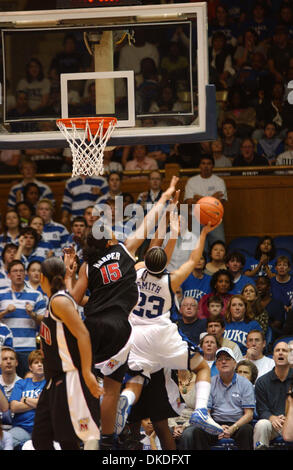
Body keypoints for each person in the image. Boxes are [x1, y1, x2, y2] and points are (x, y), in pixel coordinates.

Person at [64, 176, 181, 450]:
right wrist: (165, 201)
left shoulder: (88, 266)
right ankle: (107, 438)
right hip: (124, 331)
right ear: (108, 241)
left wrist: (71, 276)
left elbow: (74, 301)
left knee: (90, 384)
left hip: (91, 327)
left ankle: (87, 435)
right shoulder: (128, 255)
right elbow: (152, 233)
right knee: (117, 390)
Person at [115, 220, 225, 440]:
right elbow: (194, 259)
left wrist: (168, 229)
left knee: (136, 378)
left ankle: (127, 398)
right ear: (165, 262)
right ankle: (201, 410)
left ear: (145, 260)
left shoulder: (134, 272)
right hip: (162, 334)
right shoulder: (171, 281)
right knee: (202, 367)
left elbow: (153, 251)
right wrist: (202, 232)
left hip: (135, 335)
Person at [31, 256, 102, 451]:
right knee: (40, 438)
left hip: (71, 376)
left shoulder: (59, 301)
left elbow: (83, 335)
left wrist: (87, 373)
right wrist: (70, 274)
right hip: (53, 380)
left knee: (73, 439)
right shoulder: (57, 299)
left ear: (43, 278)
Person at [178, 347, 255, 450]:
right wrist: (217, 428)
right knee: (196, 431)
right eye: (219, 360)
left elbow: (249, 414)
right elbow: (206, 412)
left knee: (247, 430)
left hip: (238, 424)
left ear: (235, 363)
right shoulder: (209, 382)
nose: (223, 362)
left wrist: (233, 428)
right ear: (217, 365)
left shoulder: (245, 384)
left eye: (227, 359)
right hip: (214, 423)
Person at [0, 260, 47, 377]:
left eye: (21, 271)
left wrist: (32, 314)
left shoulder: (36, 295)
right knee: (5, 381)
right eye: (15, 271)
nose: (19, 274)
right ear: (9, 275)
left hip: (28, 348)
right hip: (6, 348)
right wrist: (5, 312)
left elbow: (44, 322)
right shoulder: (1, 294)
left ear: (25, 274)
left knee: (29, 380)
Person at [253, 340, 293, 449]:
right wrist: (271, 417)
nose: (280, 353)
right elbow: (261, 409)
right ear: (273, 357)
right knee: (261, 425)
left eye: (284, 351)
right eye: (277, 351)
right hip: (274, 425)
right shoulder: (262, 381)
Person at [184, 155, 227, 247]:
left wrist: (198, 198)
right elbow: (189, 202)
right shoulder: (192, 181)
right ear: (199, 166)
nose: (206, 166)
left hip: (215, 219)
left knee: (219, 246)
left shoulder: (219, 181)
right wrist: (212, 198)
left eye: (209, 164)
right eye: (203, 163)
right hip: (196, 219)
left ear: (213, 166)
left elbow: (220, 202)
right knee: (198, 250)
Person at [9, 349, 46, 449]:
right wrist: (37, 402)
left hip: (44, 429)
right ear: (30, 367)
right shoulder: (21, 383)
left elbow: (45, 406)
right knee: (4, 441)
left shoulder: (49, 383)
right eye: (36, 362)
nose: (40, 365)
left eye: (42, 362)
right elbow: (14, 407)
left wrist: (25, 399)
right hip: (21, 428)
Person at [256, 275, 286, 341]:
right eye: (257, 284)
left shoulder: (277, 304)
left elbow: (278, 324)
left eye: (262, 283)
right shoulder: (253, 304)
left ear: (268, 287)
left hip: (271, 336)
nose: (258, 286)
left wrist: (261, 330)